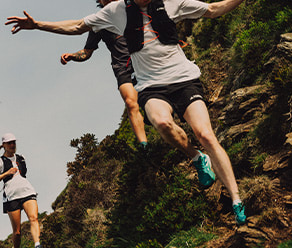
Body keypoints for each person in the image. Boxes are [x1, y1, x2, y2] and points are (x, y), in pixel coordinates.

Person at [5, 0, 247, 225]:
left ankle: (236, 199)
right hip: (151, 87)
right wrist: (38, 25)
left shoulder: (171, 3)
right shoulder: (115, 11)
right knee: (162, 124)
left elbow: (214, 9)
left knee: (206, 134)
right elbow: (78, 26)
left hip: (185, 80)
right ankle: (197, 157)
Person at [60, 0, 148, 148]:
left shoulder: (131, 8)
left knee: (151, 98)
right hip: (122, 67)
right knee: (130, 102)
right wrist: (72, 56)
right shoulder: (98, 22)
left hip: (143, 60)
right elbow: (87, 52)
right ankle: (144, 144)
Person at [0, 133, 42, 248]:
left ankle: (37, 245)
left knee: (34, 218)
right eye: (9, 143)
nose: (13, 145)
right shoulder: (1, 161)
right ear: (4, 145)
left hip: (27, 192)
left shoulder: (21, 158)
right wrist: (7, 173)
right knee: (17, 232)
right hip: (11, 196)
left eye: (14, 142)